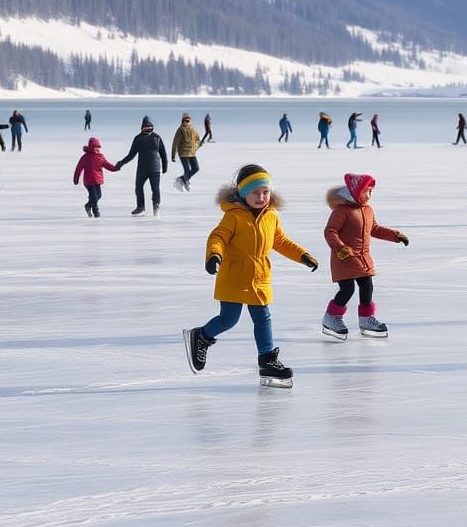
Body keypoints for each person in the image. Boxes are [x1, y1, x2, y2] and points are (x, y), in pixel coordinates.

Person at [183, 164, 319, 386]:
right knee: (229, 319)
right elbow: (218, 237)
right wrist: (214, 255)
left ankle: (267, 360)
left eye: (265, 192)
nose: (261, 197)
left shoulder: (271, 216)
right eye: (255, 192)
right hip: (234, 274)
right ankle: (202, 336)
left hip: (260, 276)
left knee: (263, 317)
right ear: (243, 193)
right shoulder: (233, 216)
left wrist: (302, 255)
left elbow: (280, 241)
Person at [321, 172, 409, 339]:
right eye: (366, 191)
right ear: (356, 192)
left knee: (367, 287)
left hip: (363, 258)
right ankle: (331, 318)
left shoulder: (368, 210)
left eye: (370, 192)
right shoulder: (341, 211)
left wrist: (395, 235)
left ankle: (366, 319)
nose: (369, 195)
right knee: (347, 289)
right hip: (344, 257)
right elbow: (330, 231)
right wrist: (340, 248)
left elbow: (375, 229)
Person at [115, 115, 168, 216]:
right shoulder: (142, 138)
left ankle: (153, 206)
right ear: (142, 127)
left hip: (152, 168)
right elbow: (132, 155)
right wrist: (121, 163)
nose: (147, 128)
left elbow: (163, 153)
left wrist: (165, 166)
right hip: (146, 169)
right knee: (142, 187)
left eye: (149, 126)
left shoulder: (153, 137)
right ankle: (143, 207)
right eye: (146, 126)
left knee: (152, 188)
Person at [73, 136, 119, 217]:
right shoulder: (85, 157)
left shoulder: (100, 157)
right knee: (94, 197)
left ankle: (88, 205)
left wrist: (115, 168)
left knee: (99, 195)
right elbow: (78, 168)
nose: (96, 148)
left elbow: (107, 165)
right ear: (91, 147)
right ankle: (96, 212)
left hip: (97, 180)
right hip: (88, 181)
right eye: (94, 147)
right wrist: (76, 179)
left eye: (97, 147)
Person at [172, 113, 202, 192]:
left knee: (196, 168)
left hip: (192, 153)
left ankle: (183, 180)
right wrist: (173, 155)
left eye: (188, 119)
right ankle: (182, 181)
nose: (187, 120)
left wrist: (195, 147)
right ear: (183, 120)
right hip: (183, 153)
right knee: (187, 170)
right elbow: (175, 142)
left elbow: (198, 140)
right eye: (185, 119)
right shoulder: (180, 129)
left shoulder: (193, 129)